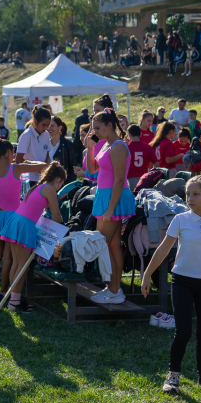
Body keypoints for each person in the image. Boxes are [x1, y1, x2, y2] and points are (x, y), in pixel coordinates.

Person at [143, 176, 201, 395]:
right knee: (183, 332)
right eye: (188, 194)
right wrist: (146, 275)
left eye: (196, 194)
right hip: (182, 281)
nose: (190, 198)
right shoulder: (181, 219)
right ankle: (173, 377)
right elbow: (162, 249)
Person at [0, 139, 50, 299]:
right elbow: (44, 166)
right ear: (8, 153)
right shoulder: (16, 168)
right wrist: (29, 161)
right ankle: (3, 291)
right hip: (13, 216)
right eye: (12, 152)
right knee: (8, 257)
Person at [0, 162, 68, 312]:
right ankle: (14, 302)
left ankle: (13, 299)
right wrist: (65, 230)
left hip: (17, 221)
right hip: (24, 225)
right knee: (23, 266)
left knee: (16, 264)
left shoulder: (38, 186)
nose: (60, 187)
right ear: (58, 180)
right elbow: (57, 216)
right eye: (62, 183)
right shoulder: (49, 189)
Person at [86, 110, 133, 305]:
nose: (94, 131)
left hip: (114, 199)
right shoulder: (105, 145)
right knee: (111, 246)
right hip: (104, 196)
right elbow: (92, 170)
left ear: (109, 125)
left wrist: (110, 209)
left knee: (102, 245)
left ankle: (115, 291)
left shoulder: (118, 147)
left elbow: (120, 180)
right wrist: (90, 148)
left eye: (97, 127)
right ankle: (114, 289)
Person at [15, 107, 53, 187]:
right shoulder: (27, 135)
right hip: (28, 180)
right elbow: (18, 160)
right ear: (35, 122)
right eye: (43, 125)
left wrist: (49, 166)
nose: (46, 128)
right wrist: (37, 167)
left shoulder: (46, 134)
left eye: (47, 125)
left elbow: (47, 156)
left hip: (42, 179)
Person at [47, 116, 78, 183]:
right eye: (48, 126)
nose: (49, 128)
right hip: (46, 183)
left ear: (60, 127)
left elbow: (73, 168)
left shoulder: (68, 145)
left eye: (52, 126)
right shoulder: (44, 144)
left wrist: (69, 187)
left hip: (62, 184)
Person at [126, 125, 154, 190]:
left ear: (129, 135)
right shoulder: (147, 147)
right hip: (144, 180)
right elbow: (157, 163)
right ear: (140, 134)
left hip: (129, 180)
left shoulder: (126, 147)